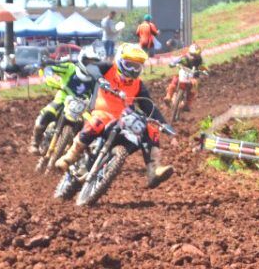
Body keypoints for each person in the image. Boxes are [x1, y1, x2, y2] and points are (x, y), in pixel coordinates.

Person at [54, 43, 174, 188]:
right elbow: (92, 67)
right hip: (102, 111)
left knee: (150, 130)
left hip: (124, 118)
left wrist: (163, 123)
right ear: (120, 61)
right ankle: (70, 156)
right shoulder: (109, 68)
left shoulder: (138, 84)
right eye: (129, 65)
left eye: (137, 67)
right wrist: (100, 79)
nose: (133, 70)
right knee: (97, 122)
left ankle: (154, 170)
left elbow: (149, 106)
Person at [29, 45, 101, 154]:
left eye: (93, 63)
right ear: (82, 59)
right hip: (63, 97)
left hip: (82, 105)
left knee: (89, 127)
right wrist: (50, 77)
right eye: (88, 61)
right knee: (47, 113)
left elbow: (96, 96)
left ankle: (78, 154)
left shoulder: (95, 79)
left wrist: (93, 107)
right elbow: (50, 68)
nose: (90, 65)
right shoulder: (70, 68)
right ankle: (35, 142)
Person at [165, 43, 206, 112]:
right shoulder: (184, 57)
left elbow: (203, 67)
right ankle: (168, 96)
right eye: (192, 55)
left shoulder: (200, 60)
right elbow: (177, 60)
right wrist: (173, 63)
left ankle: (188, 104)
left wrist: (204, 70)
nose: (194, 57)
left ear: (199, 55)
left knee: (194, 86)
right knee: (175, 79)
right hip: (183, 73)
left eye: (196, 55)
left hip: (193, 76)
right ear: (189, 53)